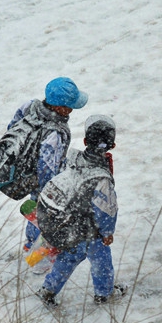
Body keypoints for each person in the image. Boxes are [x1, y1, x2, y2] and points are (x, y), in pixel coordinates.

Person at [35, 115, 126, 306]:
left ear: (85, 141)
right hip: (88, 228)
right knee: (101, 261)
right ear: (113, 146)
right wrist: (107, 232)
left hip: (68, 223)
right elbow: (107, 210)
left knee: (69, 256)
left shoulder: (72, 159)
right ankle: (104, 293)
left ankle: (48, 288)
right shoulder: (100, 177)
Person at [9, 77, 88, 258]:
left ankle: (30, 244)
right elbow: (47, 168)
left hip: (24, 171)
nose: (71, 110)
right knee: (43, 215)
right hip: (39, 179)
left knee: (34, 211)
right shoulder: (53, 134)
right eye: (70, 106)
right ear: (60, 107)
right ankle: (40, 256)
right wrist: (51, 192)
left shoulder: (29, 107)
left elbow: (12, 128)